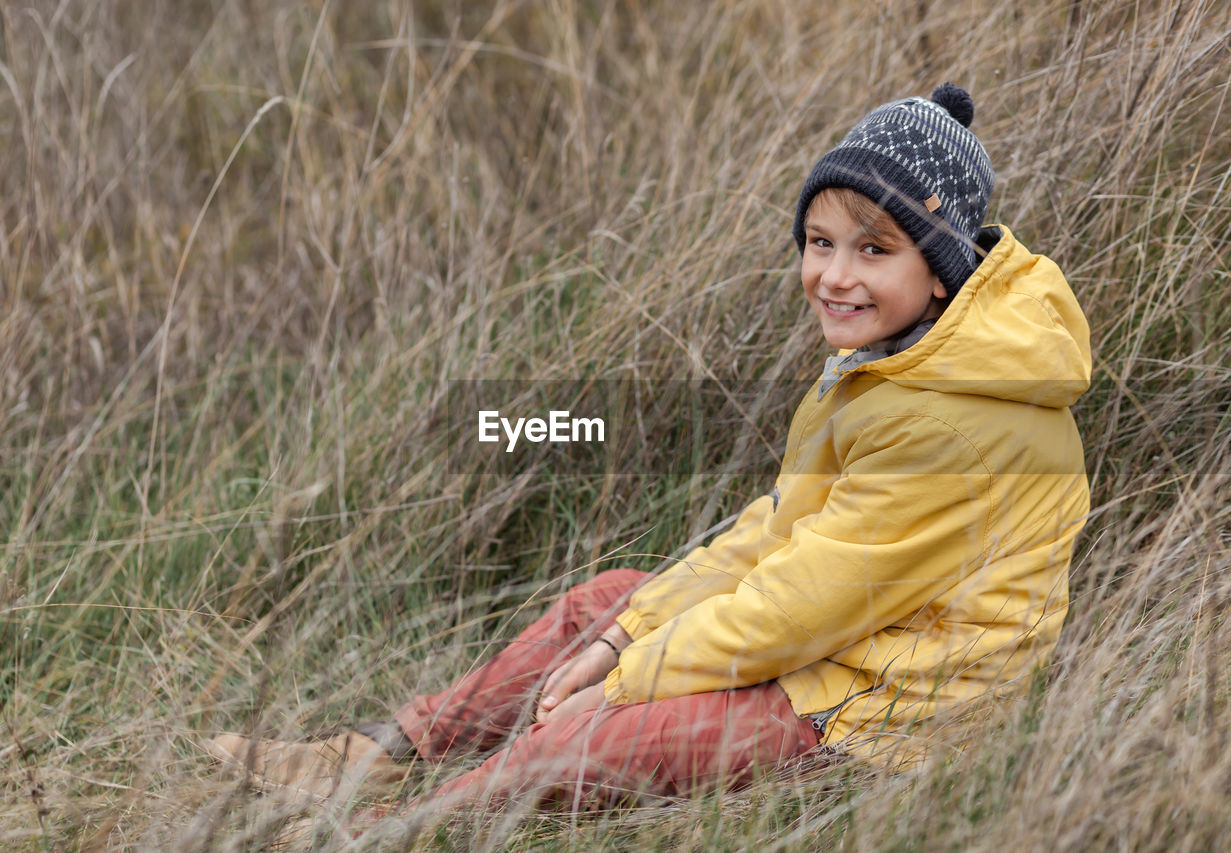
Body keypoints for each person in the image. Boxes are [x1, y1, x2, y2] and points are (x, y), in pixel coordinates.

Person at [205, 82, 1091, 816]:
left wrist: (626, 682)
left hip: (881, 719)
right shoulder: (902, 362)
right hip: (833, 658)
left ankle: (399, 830)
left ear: (938, 268)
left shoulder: (953, 421)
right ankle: (376, 756)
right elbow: (775, 536)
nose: (834, 274)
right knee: (608, 600)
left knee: (602, 733)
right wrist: (627, 632)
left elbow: (796, 609)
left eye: (874, 249)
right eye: (820, 242)